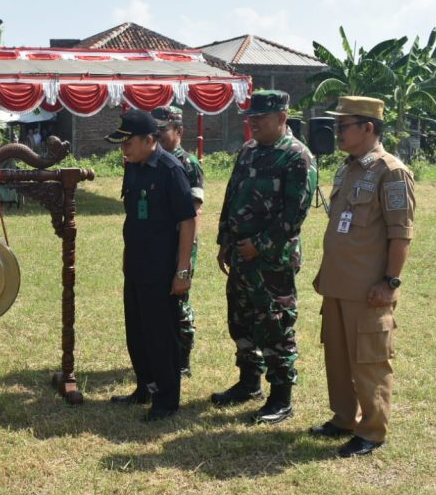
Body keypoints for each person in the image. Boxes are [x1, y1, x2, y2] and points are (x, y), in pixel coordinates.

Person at [311, 96, 415, 457]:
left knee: (369, 360)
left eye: (343, 126)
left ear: (367, 128)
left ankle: (372, 430)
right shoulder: (348, 168)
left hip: (369, 290)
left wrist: (389, 282)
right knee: (338, 358)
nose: (336, 132)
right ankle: (344, 418)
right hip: (338, 284)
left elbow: (400, 233)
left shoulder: (392, 171)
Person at [213, 90, 317, 424]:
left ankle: (281, 398)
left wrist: (259, 243)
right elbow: (232, 196)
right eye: (250, 118)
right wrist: (225, 240)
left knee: (274, 323)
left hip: (273, 260)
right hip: (241, 256)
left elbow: (294, 215)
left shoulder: (297, 157)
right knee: (241, 320)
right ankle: (248, 383)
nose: (253, 123)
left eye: (261, 118)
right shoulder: (248, 151)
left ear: (282, 117)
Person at [106, 110, 197, 422]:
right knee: (137, 331)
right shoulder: (133, 167)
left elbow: (187, 220)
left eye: (127, 143)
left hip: (161, 267)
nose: (124, 150)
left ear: (149, 140)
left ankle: (167, 399)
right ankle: (144, 387)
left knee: (161, 334)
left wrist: (182, 271)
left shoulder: (170, 169)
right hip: (136, 263)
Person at [152, 105, 205, 377]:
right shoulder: (153, 160)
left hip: (181, 243)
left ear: (179, 131)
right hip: (158, 243)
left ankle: (182, 358)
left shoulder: (188, 164)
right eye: (155, 130)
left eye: (163, 130)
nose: (157, 135)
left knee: (179, 299)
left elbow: (193, 212)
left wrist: (186, 258)